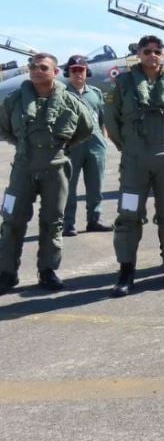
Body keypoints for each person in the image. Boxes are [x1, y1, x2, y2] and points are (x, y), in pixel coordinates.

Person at [104, 35, 164, 297]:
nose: (152, 55)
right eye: (147, 51)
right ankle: (126, 271)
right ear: (139, 54)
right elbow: (111, 119)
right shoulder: (123, 83)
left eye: (157, 51)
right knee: (129, 215)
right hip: (135, 163)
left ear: (162, 55)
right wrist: (129, 148)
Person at [0, 53, 93, 294]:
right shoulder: (14, 100)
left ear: (55, 72)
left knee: (53, 222)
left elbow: (86, 129)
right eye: (33, 67)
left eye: (43, 67)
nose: (36, 70)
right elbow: (4, 128)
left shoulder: (70, 102)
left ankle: (48, 271)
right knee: (12, 221)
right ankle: (6, 273)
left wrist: (60, 148)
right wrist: (23, 145)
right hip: (23, 169)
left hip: (56, 169)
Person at [63, 55, 114, 236]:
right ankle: (68, 223)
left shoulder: (96, 93)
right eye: (74, 70)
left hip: (95, 145)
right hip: (72, 146)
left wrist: (103, 138)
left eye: (81, 70)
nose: (78, 73)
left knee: (96, 185)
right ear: (68, 73)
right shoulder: (61, 94)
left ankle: (95, 219)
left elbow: (101, 119)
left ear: (87, 72)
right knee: (69, 186)